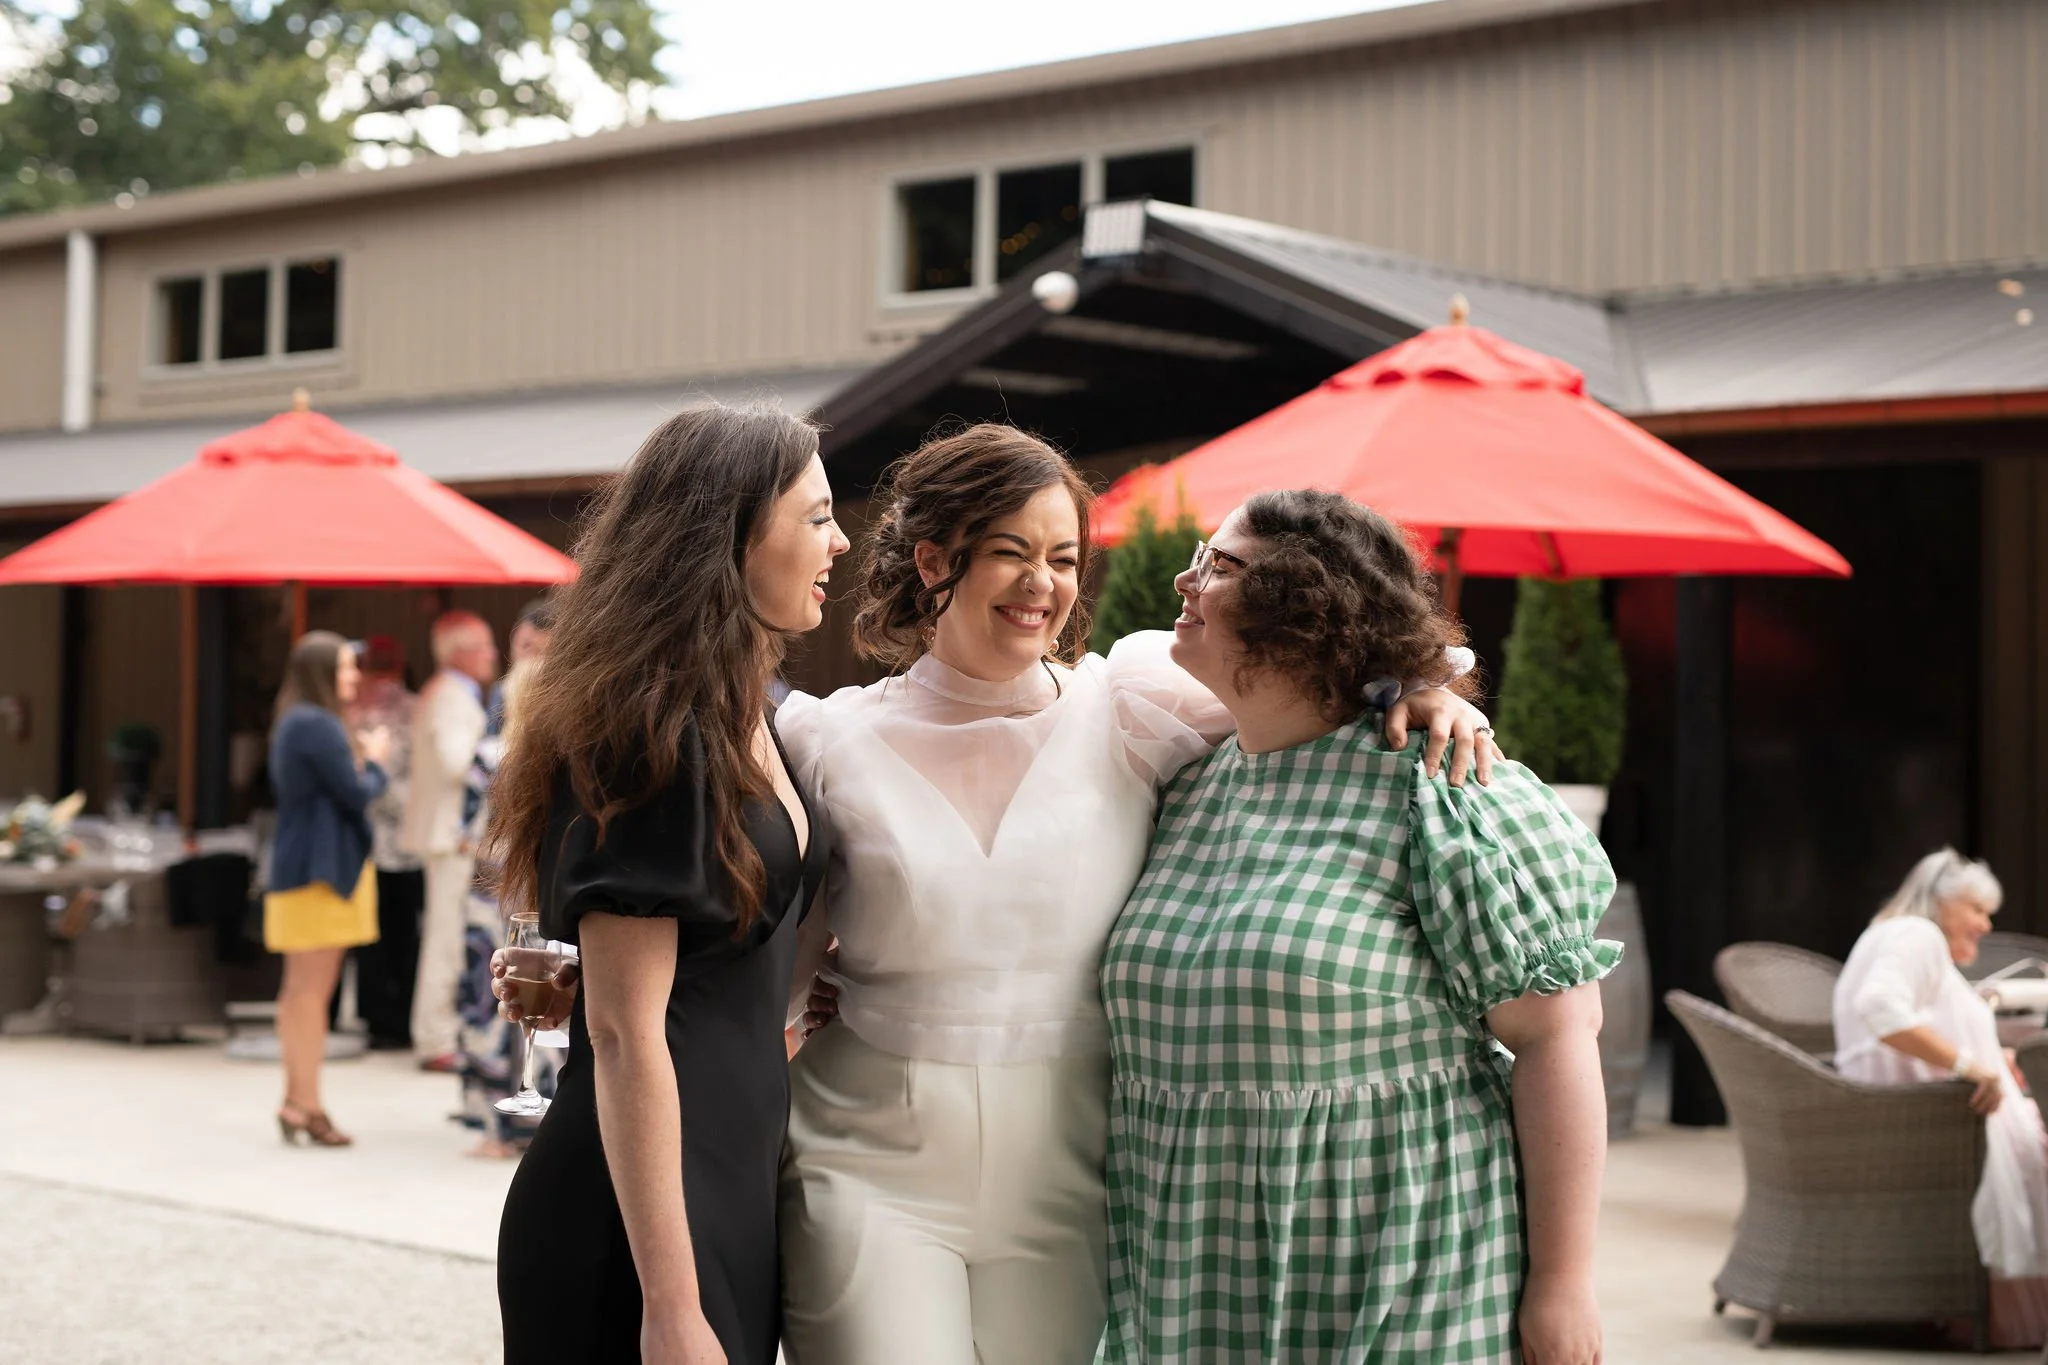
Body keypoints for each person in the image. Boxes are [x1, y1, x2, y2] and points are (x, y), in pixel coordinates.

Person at [770, 429, 1494, 1365]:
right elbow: (779, 966)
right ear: (935, 560)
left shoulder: (1129, 701)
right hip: (863, 1162)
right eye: (1012, 552)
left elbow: (1315, 679)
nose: (1044, 583)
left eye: (1064, 558)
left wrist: (1430, 688)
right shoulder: (826, 739)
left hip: (1079, 1178)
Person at [1099, 490, 1616, 1364]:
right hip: (1190, 1276)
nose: (1185, 579)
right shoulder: (1182, 779)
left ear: (1304, 606)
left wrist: (1562, 1283)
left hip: (1398, 1267)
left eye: (1218, 566)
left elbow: (1558, 1035)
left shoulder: (1439, 786)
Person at [491, 404, 847, 1365]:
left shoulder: (746, 709)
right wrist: (672, 1305)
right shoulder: (652, 730)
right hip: (639, 1224)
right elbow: (622, 1030)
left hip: (724, 1181)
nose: (840, 539)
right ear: (728, 536)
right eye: (816, 516)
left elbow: (711, 960)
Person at [1833, 848, 2048, 1348]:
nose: (1986, 924)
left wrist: (1988, 1058)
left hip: (1908, 1117)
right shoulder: (1917, 935)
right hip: (1926, 1126)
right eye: (1976, 909)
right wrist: (1969, 1066)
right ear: (1941, 902)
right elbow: (1880, 1009)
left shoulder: (1896, 936)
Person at [265, 631, 393, 1148]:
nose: (354, 676)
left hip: (303, 869)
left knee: (298, 995)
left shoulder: (298, 719)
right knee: (310, 997)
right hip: (322, 873)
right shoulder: (316, 724)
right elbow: (357, 793)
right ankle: (307, 1104)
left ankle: (298, 1101)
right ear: (321, 673)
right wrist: (377, 759)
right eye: (344, 668)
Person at [456, 631, 560, 1158]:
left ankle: (494, 1125)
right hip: (541, 897)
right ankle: (543, 1118)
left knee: (488, 1002)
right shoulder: (559, 760)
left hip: (488, 897)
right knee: (545, 1001)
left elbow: (467, 834)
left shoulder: (489, 756)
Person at [403, 608, 497, 1072]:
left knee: (449, 936)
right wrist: (504, 749)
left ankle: (441, 1034)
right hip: (451, 836)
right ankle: (436, 1038)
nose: (492, 654)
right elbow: (460, 762)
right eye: (483, 645)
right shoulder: (452, 698)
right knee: (446, 939)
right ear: (460, 653)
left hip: (447, 836)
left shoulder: (451, 693)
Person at [348, 633, 422, 1051]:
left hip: (361, 841)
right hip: (402, 840)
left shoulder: (347, 712)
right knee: (402, 933)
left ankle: (374, 1017)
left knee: (369, 937)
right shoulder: (413, 709)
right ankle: (397, 1021)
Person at [488, 597, 554, 732]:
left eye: (537, 651)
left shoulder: (557, 691)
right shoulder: (502, 690)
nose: (524, 658)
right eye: (524, 646)